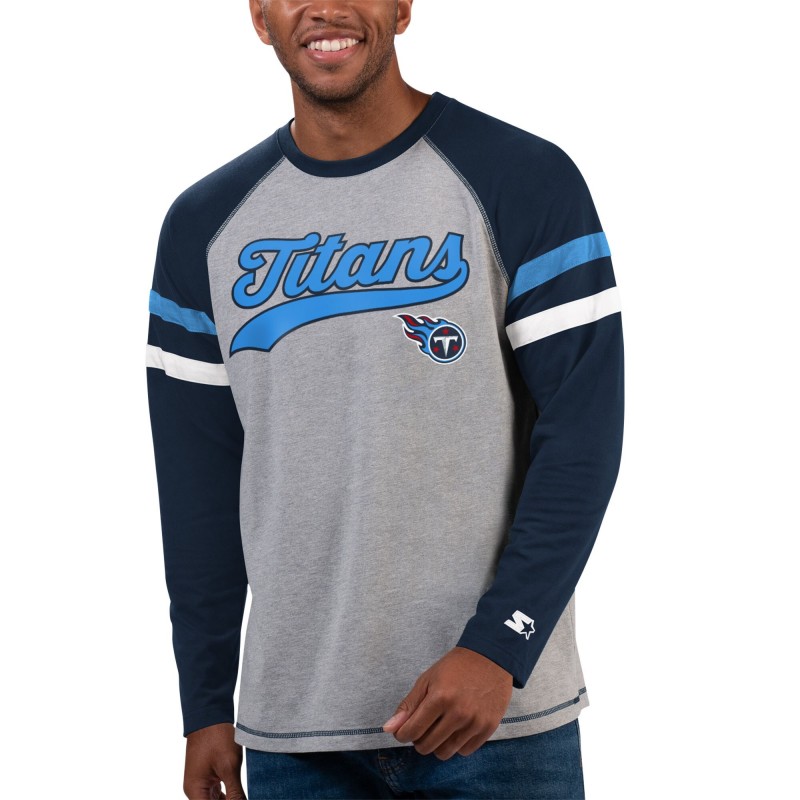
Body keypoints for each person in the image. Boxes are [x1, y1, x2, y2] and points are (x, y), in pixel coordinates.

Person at [145, 1, 624, 797]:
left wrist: (500, 646)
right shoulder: (204, 227)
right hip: (297, 738)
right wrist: (204, 705)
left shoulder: (523, 177)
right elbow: (198, 489)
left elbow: (582, 437)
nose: (325, 7)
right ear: (260, 16)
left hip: (497, 725)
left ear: (402, 6)